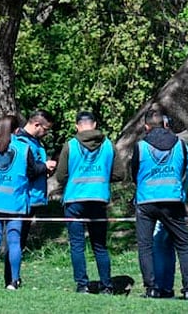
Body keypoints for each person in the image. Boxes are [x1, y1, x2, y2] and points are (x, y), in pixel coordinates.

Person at [0, 115, 50, 290]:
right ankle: (14, 281)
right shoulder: (24, 149)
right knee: (14, 241)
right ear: (17, 130)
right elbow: (32, 172)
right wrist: (46, 166)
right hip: (15, 202)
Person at [55, 111, 124, 294]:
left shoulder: (70, 145)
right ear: (94, 124)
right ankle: (106, 286)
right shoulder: (109, 145)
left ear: (77, 126)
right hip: (98, 199)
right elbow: (119, 174)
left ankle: (82, 285)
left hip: (74, 200)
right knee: (100, 246)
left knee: (77, 245)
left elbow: (61, 176)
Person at [131, 108, 188, 300]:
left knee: (145, 246)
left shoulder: (140, 146)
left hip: (146, 201)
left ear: (146, 126)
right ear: (165, 124)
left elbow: (134, 173)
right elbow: (186, 171)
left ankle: (151, 288)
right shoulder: (182, 145)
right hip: (173, 200)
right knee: (183, 246)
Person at [5, 109, 56, 287]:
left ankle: (13, 277)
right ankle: (11, 279)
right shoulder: (20, 142)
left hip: (32, 196)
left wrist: (45, 170)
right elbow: (28, 170)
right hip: (23, 196)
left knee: (20, 238)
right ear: (36, 125)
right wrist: (45, 166)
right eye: (46, 129)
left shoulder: (35, 142)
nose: (47, 133)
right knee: (16, 239)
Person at [152, 115, 188, 298]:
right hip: (178, 201)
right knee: (178, 246)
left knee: (158, 244)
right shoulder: (186, 151)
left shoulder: (176, 150)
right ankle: (185, 290)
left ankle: (160, 287)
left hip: (162, 201)